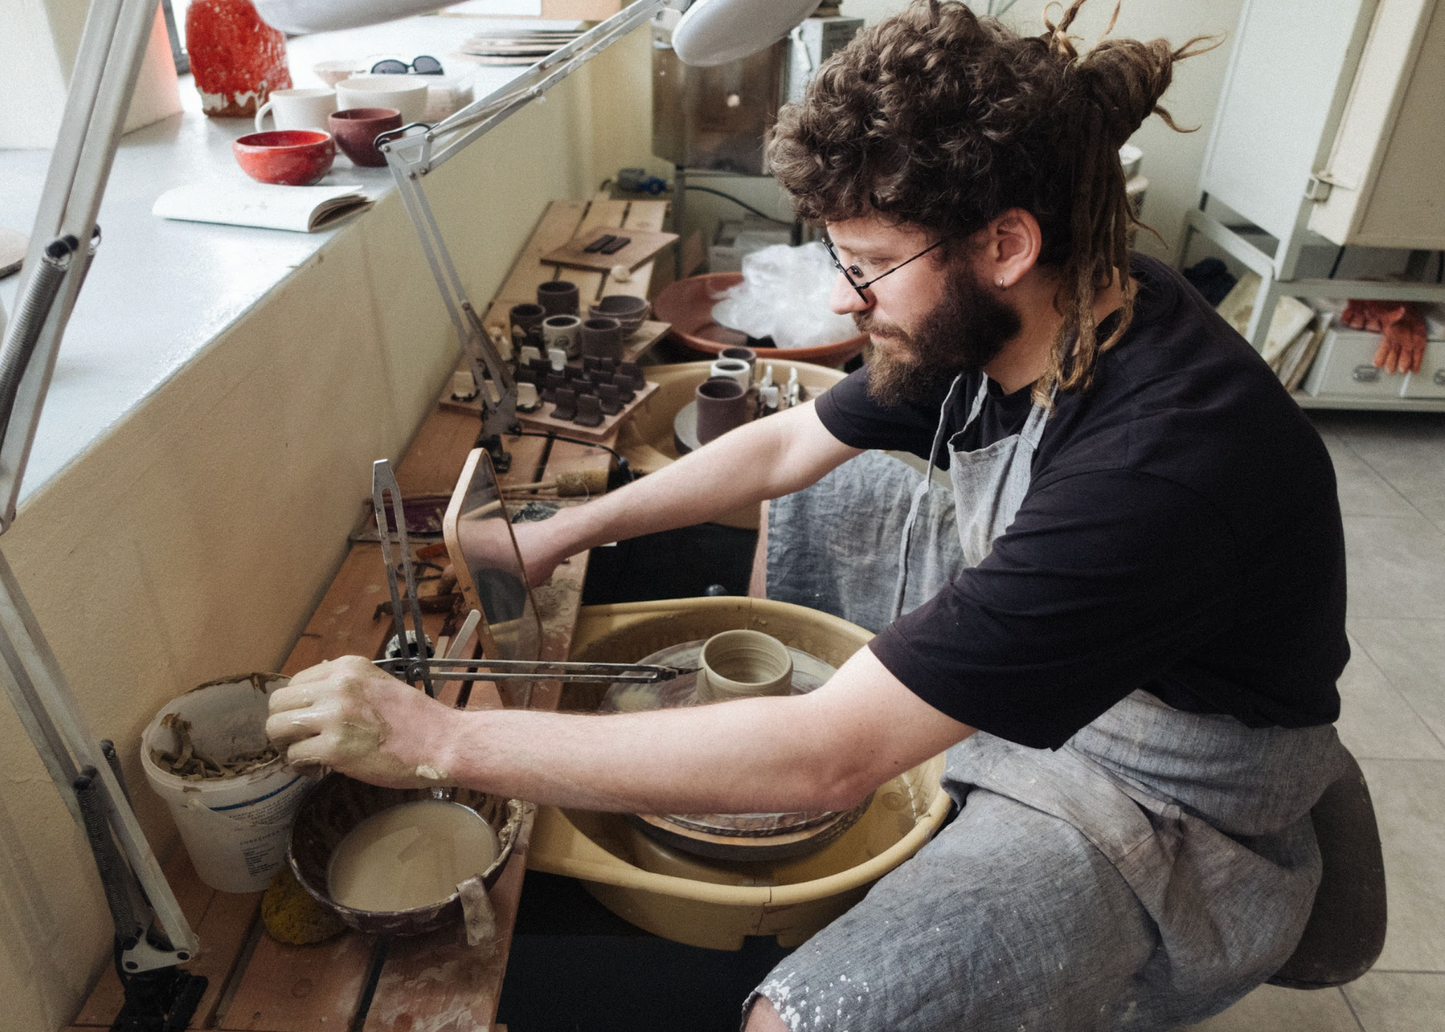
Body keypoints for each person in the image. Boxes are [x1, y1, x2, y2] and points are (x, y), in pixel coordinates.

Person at [266, 2, 1353, 1028]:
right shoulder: (1042, 305)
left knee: (803, 1016)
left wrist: (440, 738)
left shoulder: (1157, 474)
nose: (842, 297)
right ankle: (841, 709)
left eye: (871, 265)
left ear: (1005, 244)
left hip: (1157, 783)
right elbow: (789, 445)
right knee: (830, 485)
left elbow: (826, 762)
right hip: (1097, 654)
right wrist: (558, 535)